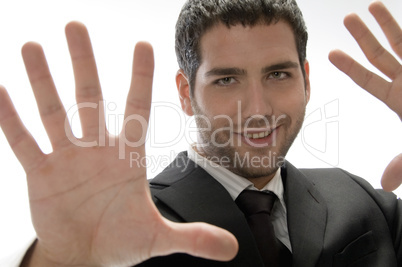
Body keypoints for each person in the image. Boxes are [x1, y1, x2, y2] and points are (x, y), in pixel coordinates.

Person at [0, 0, 401, 266]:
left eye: (278, 74)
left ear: (306, 80)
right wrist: (55, 260)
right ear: (185, 94)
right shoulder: (125, 221)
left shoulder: (361, 199)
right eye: (227, 80)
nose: (258, 110)